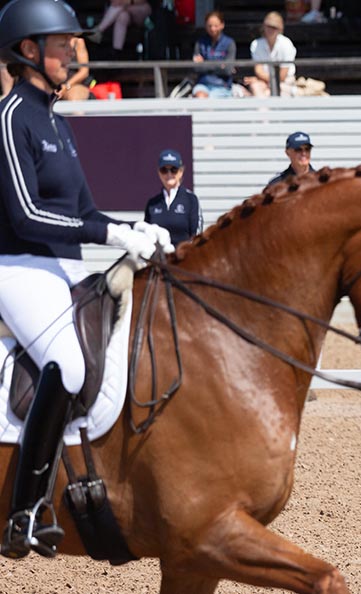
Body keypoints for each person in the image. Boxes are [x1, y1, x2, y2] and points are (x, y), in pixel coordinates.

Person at [0, 0, 172, 559]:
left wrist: (135, 232)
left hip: (64, 265)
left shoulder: (55, 119)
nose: (74, 51)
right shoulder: (11, 117)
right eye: (61, 43)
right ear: (28, 50)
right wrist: (112, 234)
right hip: (17, 265)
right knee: (69, 363)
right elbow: (27, 215)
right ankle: (23, 511)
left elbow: (83, 210)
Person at [143, 150, 203, 246]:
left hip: (184, 258)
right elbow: (146, 235)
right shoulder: (152, 204)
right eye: (164, 170)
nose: (169, 174)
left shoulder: (191, 200)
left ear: (181, 172)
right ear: (159, 172)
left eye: (173, 170)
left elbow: (197, 235)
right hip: (157, 259)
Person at [244, 12, 297, 97]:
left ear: (280, 29)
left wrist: (264, 80)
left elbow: (282, 76)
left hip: (286, 82)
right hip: (264, 81)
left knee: (268, 93)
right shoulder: (256, 44)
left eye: (274, 27)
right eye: (268, 26)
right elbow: (259, 70)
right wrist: (264, 80)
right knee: (256, 87)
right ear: (264, 27)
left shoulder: (286, 44)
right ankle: (263, 110)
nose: (270, 30)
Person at [192, 10, 236, 99]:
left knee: (212, 100)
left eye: (216, 26)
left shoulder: (229, 43)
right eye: (209, 26)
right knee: (201, 97)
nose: (212, 29)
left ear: (222, 25)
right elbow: (196, 68)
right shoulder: (200, 43)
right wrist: (220, 65)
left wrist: (205, 64)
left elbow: (227, 70)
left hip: (222, 86)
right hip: (203, 84)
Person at [87, 0, 152, 56]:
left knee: (120, 6)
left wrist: (128, 2)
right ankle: (117, 52)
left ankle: (99, 30)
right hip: (124, 12)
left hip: (141, 10)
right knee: (122, 16)